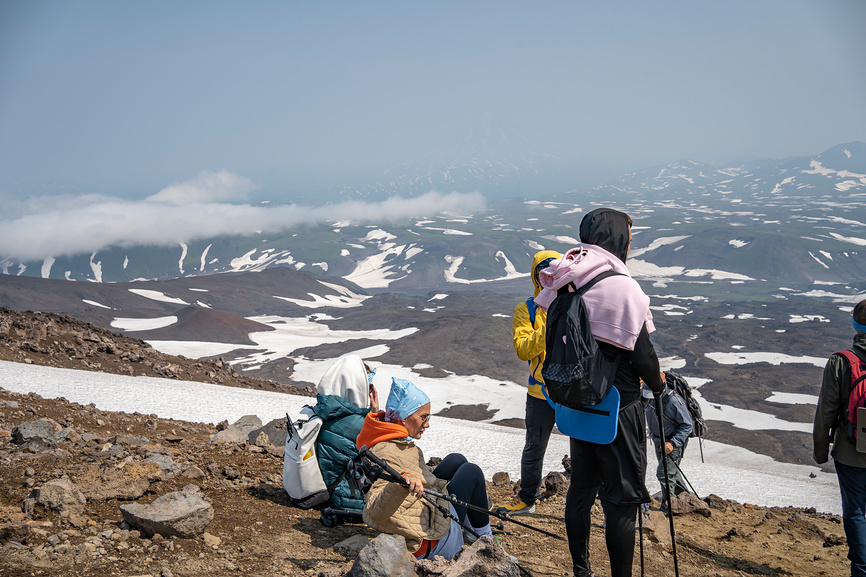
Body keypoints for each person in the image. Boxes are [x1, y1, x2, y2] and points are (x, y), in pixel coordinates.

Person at [535, 207, 665, 577]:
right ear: (617, 238)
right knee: (621, 501)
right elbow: (642, 355)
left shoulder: (566, 276)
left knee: (581, 489)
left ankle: (581, 570)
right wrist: (657, 384)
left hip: (577, 402)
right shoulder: (621, 286)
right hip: (618, 408)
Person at [356, 378, 492, 560]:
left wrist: (375, 412)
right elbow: (376, 511)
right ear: (403, 418)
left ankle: (469, 533)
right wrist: (401, 481)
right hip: (431, 539)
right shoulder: (388, 454)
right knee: (471, 472)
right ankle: (488, 547)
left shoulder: (384, 437)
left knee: (455, 460)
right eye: (423, 417)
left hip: (422, 512)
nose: (427, 424)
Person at [497, 249, 561, 516]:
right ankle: (527, 498)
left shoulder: (575, 304)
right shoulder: (527, 309)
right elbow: (523, 349)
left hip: (574, 390)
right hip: (541, 390)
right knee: (534, 445)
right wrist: (552, 326)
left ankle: (596, 502)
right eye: (542, 272)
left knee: (587, 448)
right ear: (536, 277)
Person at [814, 299, 866, 577]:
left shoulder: (841, 362)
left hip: (850, 452)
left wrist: (821, 451)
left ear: (855, 326)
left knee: (856, 512)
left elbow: (826, 412)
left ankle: (861, 570)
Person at [313, 354, 379, 513]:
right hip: (349, 500)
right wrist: (375, 413)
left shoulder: (329, 412)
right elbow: (384, 451)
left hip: (331, 492)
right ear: (358, 387)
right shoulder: (358, 424)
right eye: (367, 385)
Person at [642, 376, 693, 512]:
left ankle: (667, 509)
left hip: (672, 443)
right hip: (660, 441)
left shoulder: (673, 401)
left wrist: (673, 443)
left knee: (664, 474)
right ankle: (686, 500)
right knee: (672, 473)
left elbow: (687, 426)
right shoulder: (649, 398)